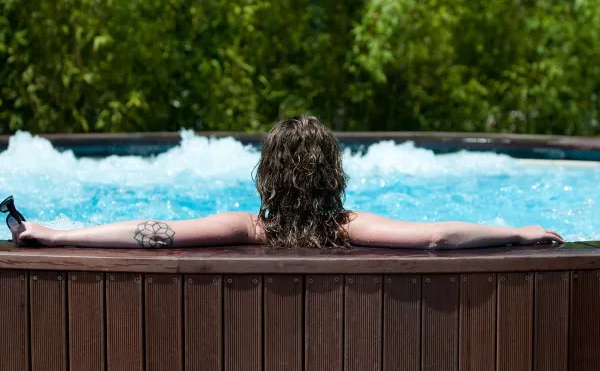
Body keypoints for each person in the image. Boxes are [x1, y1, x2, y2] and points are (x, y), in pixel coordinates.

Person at [6, 115, 563, 249]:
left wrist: (61, 238)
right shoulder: (348, 225)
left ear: (268, 175)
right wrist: (518, 231)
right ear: (332, 172)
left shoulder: (250, 227)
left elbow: (156, 232)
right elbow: (437, 236)